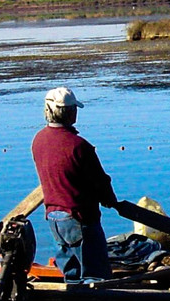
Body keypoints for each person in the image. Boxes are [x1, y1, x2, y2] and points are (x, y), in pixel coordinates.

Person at [31, 87, 119, 281]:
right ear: (70, 112)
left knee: (70, 273)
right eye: (74, 109)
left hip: (54, 217)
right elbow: (100, 181)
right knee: (95, 275)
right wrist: (110, 200)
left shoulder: (39, 140)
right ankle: (94, 299)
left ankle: (71, 294)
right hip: (79, 217)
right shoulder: (78, 146)